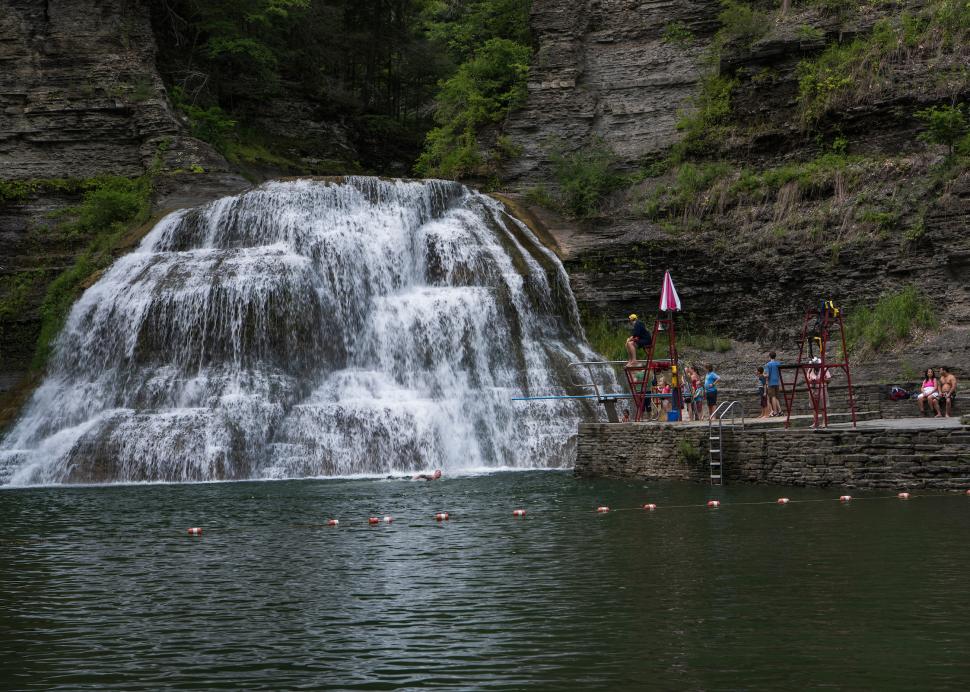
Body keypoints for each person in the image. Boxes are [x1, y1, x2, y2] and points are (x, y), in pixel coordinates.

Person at [806, 356, 832, 428]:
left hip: (822, 389)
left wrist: (823, 380)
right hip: (812, 389)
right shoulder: (810, 370)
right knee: (813, 407)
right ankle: (815, 422)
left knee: (823, 406)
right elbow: (807, 379)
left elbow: (829, 379)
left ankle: (824, 422)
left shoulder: (824, 369)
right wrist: (811, 381)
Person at [764, 351, 783, 417]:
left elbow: (767, 375)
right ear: (775, 356)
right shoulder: (778, 363)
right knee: (776, 397)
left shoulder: (768, 364)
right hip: (777, 381)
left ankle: (775, 412)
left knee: (773, 397)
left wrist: (763, 375)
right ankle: (780, 411)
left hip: (771, 382)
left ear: (769, 357)